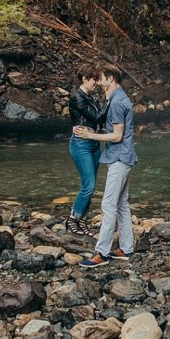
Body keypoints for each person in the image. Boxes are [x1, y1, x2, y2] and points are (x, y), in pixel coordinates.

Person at [74, 64, 138, 268]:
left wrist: (90, 135)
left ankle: (101, 253)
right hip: (122, 157)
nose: (99, 81)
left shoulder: (118, 102)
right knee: (121, 204)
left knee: (108, 205)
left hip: (119, 158)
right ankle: (126, 248)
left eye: (101, 77)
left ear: (111, 79)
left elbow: (117, 135)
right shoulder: (117, 98)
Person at [65, 65, 105, 237]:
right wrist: (111, 101)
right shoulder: (77, 97)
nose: (96, 83)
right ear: (84, 79)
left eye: (97, 79)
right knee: (89, 185)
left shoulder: (91, 98)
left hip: (93, 143)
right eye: (93, 79)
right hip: (81, 143)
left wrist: (97, 132)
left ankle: (82, 220)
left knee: (89, 184)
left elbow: (98, 122)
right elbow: (96, 117)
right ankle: (72, 218)